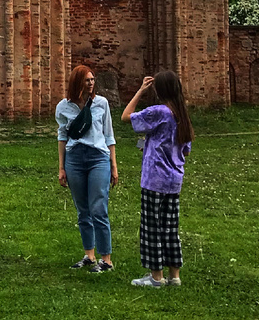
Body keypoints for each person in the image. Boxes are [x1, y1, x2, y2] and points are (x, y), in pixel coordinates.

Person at [122, 71, 193, 289]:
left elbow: (126, 116)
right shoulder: (182, 115)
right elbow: (186, 150)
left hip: (154, 179)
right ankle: (174, 276)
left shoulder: (159, 112)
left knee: (151, 227)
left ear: (160, 90)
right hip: (174, 180)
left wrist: (140, 91)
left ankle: (156, 277)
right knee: (170, 227)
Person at [56, 64, 118, 273]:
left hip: (98, 157)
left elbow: (109, 136)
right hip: (74, 158)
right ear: (77, 82)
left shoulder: (101, 103)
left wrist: (113, 165)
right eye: (87, 80)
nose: (91, 83)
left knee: (98, 208)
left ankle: (106, 259)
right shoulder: (63, 107)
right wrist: (61, 167)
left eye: (92, 80)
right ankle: (89, 255)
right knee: (83, 210)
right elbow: (62, 137)